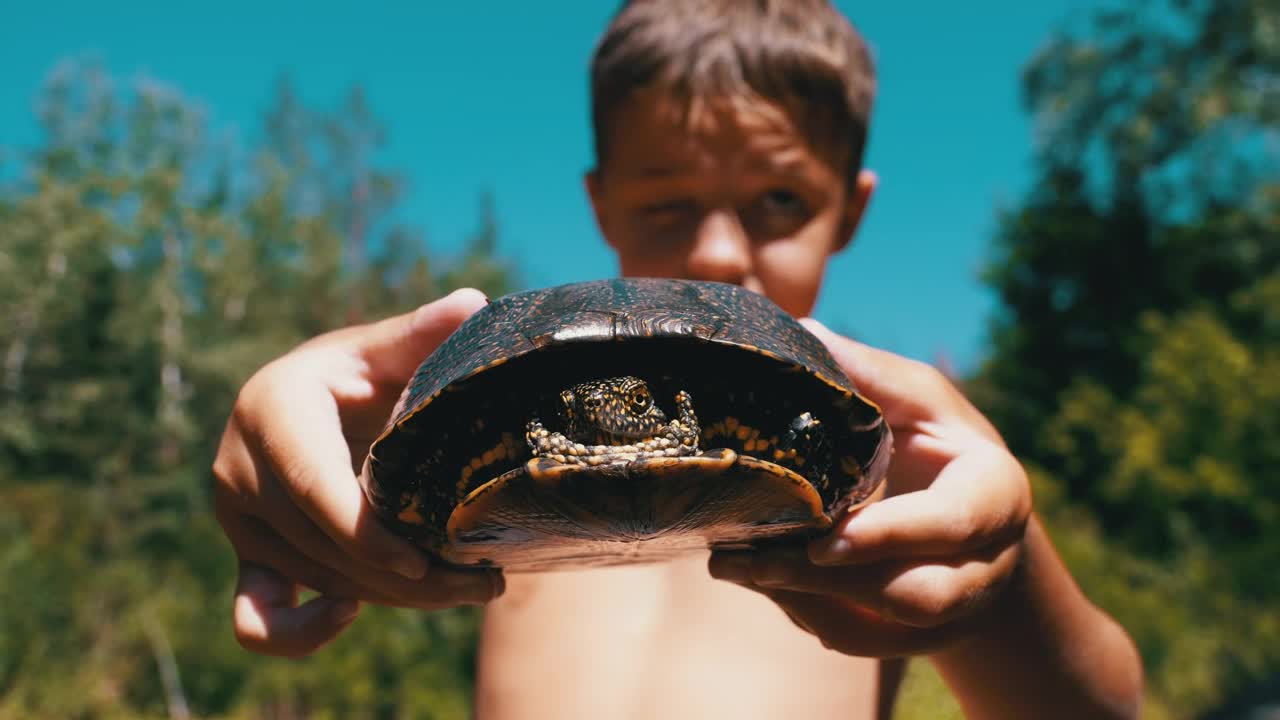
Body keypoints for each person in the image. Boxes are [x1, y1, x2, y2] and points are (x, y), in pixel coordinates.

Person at [211, 1, 1144, 717]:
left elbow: (1096, 709)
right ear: (601, 202)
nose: (718, 253)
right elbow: (336, 434)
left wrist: (1001, 578)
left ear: (850, 211)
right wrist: (281, 421)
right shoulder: (508, 410)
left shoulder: (904, 467)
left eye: (780, 202)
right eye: (667, 205)